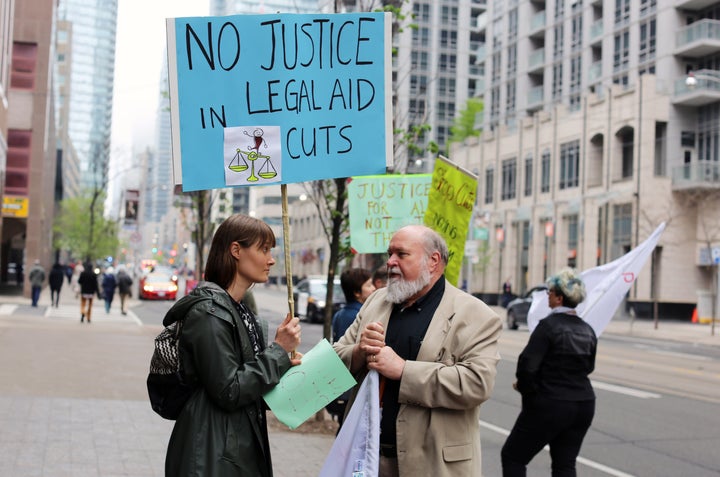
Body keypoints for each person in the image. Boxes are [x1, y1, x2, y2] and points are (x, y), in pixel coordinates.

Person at [333, 225, 502, 477]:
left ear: (433, 261)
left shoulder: (476, 315)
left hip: (432, 465)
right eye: (390, 253)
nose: (390, 262)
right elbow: (337, 356)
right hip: (365, 458)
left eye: (401, 254)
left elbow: (477, 384)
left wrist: (403, 370)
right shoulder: (376, 301)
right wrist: (359, 352)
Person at [163, 213, 302, 476]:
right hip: (211, 454)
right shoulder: (209, 313)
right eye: (263, 249)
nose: (271, 259)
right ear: (236, 250)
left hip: (234, 448)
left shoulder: (240, 311)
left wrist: (286, 366)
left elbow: (249, 386)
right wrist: (278, 352)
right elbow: (229, 390)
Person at [501, 268, 597, 477]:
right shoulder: (587, 330)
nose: (548, 295)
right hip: (584, 404)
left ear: (559, 297)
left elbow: (526, 367)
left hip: (550, 403)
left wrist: (531, 396)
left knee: (513, 456)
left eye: (550, 292)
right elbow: (588, 367)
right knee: (564, 464)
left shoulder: (548, 327)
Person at [327, 267, 375, 429]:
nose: (374, 288)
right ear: (357, 292)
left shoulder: (340, 313)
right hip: (350, 387)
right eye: (369, 285)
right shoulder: (359, 316)